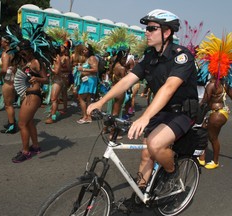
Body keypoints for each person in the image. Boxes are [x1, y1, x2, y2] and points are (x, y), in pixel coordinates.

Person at [87, 9, 198, 192]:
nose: (147, 32)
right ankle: (141, 194)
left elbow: (169, 87)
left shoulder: (181, 56)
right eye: (146, 28)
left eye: (152, 28)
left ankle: (172, 172)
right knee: (146, 153)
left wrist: (145, 117)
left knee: (154, 145)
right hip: (161, 111)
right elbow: (127, 80)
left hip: (182, 113)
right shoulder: (150, 57)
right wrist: (100, 101)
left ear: (167, 32)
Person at [6, 24, 57, 163]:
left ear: (30, 50)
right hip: (29, 94)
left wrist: (37, 78)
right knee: (29, 123)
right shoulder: (26, 61)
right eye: (20, 51)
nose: (21, 53)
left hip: (34, 95)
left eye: (24, 51)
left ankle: (26, 151)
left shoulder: (35, 62)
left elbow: (47, 80)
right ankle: (35, 146)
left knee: (22, 124)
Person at [198, 77, 232, 169]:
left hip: (216, 115)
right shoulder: (225, 84)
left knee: (213, 138)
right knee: (204, 131)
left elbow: (204, 101)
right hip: (222, 113)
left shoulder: (211, 85)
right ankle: (202, 157)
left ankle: (215, 161)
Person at [0, 35, 17, 134]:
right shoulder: (13, 53)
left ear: (6, 42)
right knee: (10, 104)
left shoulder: (5, 54)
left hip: (8, 81)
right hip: (13, 79)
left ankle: (12, 125)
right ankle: (12, 121)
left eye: (2, 41)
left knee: (8, 105)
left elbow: (5, 69)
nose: (0, 43)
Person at [76, 43, 99, 124]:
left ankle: (85, 116)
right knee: (88, 99)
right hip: (88, 80)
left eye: (85, 50)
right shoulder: (88, 58)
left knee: (81, 97)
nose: (83, 51)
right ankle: (89, 117)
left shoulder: (92, 58)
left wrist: (83, 69)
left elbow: (95, 69)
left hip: (89, 80)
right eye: (82, 50)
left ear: (89, 50)